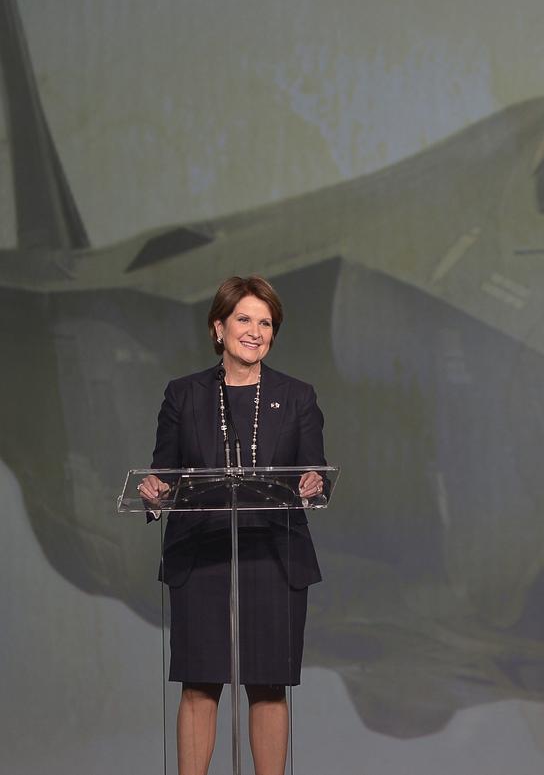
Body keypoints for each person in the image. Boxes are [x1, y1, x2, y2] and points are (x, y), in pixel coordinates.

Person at [138, 275, 326, 775]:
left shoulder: (299, 396)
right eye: (244, 319)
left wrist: (313, 483)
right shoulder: (183, 395)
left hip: (273, 554)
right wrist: (154, 491)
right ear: (218, 328)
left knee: (268, 683)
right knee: (200, 682)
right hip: (201, 553)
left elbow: (315, 472)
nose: (255, 331)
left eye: (266, 323)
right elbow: (164, 471)